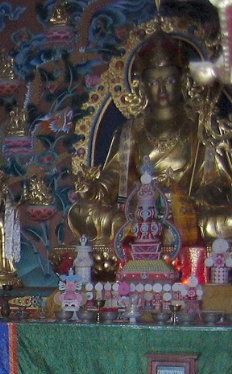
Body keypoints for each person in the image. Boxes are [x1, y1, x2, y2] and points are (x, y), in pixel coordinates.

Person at [67, 33, 232, 245]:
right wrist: (92, 189)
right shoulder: (130, 131)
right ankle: (159, 235)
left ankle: (163, 234)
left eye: (170, 80)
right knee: (79, 212)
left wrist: (194, 201)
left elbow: (220, 184)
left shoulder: (204, 126)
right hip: (138, 217)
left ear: (184, 82)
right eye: (153, 82)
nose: (162, 89)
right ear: (141, 85)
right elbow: (114, 178)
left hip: (189, 217)